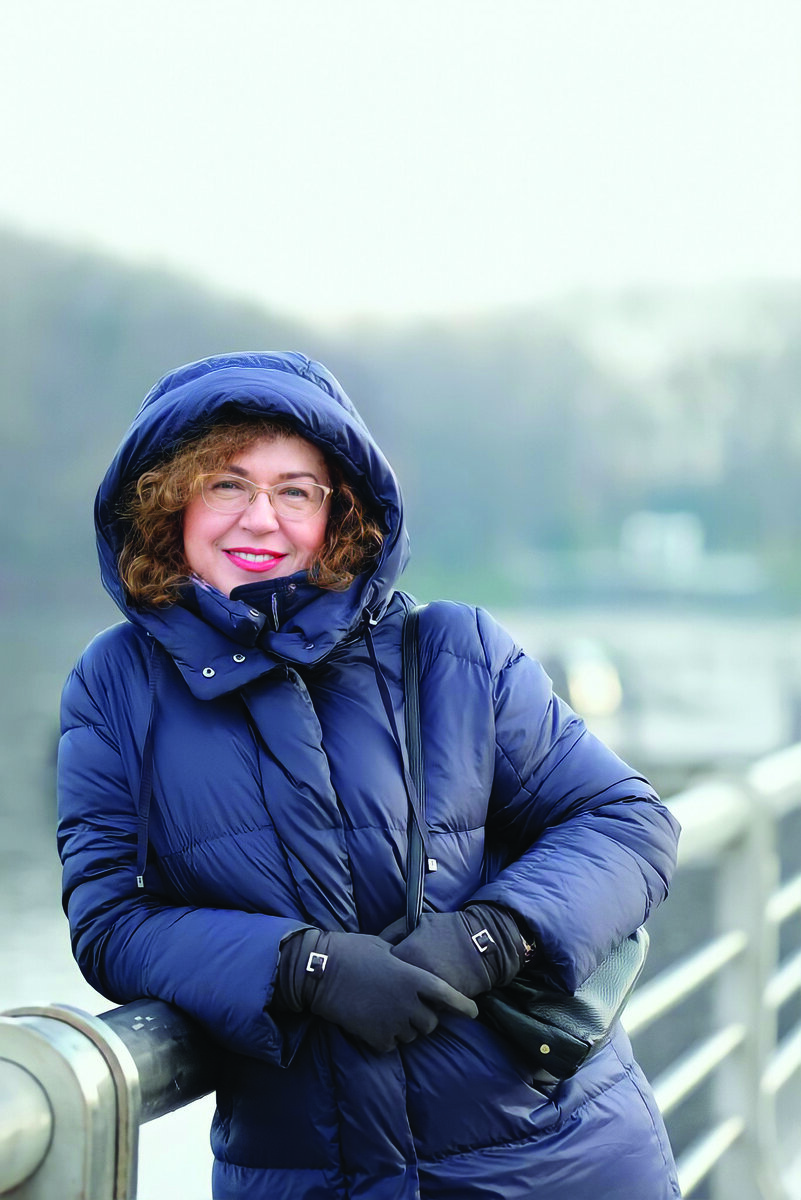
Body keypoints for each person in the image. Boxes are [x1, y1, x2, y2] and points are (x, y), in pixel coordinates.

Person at [58, 350, 681, 1200]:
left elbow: (626, 821)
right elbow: (109, 921)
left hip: (557, 1160)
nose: (261, 519)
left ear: (339, 511)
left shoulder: (455, 650)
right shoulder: (116, 684)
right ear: (169, 500)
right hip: (310, 1178)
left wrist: (493, 936)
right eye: (226, 484)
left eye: (296, 492)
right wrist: (299, 966)